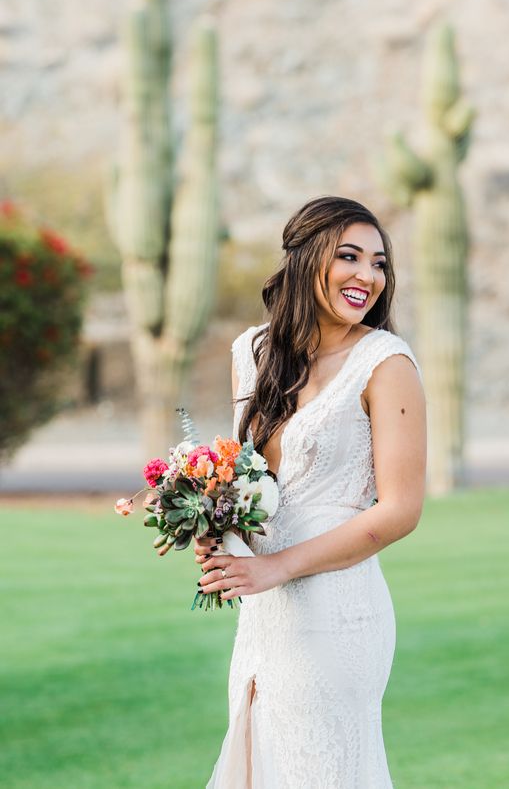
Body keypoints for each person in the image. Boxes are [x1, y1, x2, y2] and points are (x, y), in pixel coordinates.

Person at [196, 195, 427, 788]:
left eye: (378, 262)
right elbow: (247, 483)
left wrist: (277, 567)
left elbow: (400, 510)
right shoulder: (252, 354)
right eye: (349, 257)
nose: (368, 276)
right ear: (305, 260)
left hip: (337, 610)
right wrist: (218, 534)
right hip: (263, 614)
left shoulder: (386, 363)